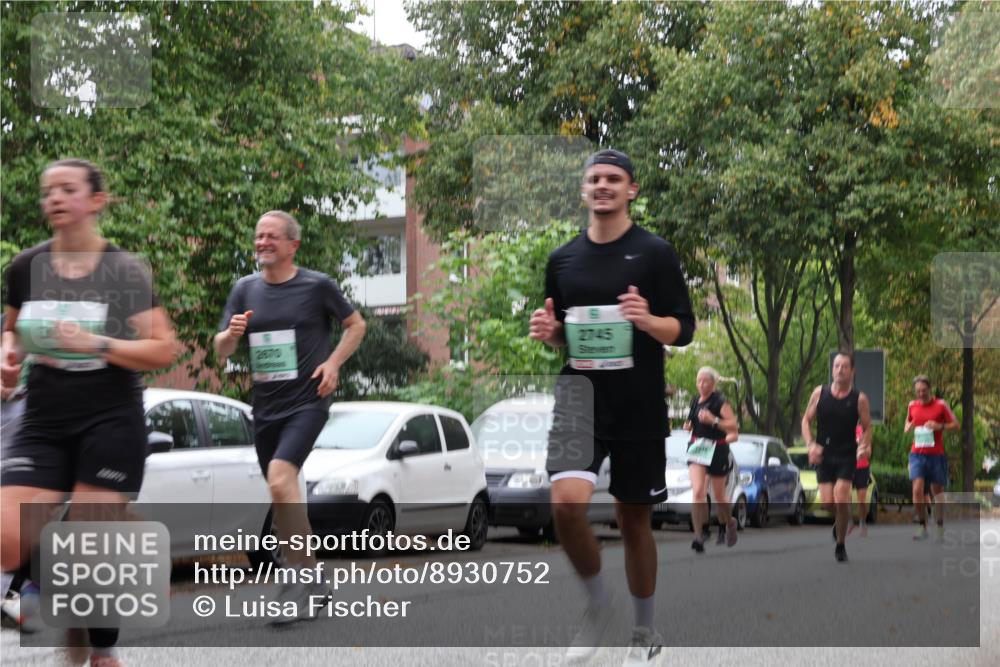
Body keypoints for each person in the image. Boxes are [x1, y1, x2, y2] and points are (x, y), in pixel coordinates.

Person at [0, 158, 178, 666]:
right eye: (47, 191)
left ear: (96, 200)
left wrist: (97, 342)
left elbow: (164, 349)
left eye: (67, 189)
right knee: (9, 542)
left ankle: (101, 648)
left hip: (110, 421)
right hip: (44, 421)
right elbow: (11, 330)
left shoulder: (121, 270)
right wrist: (8, 357)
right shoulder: (25, 266)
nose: (54, 198)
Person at [529, 149, 695, 665]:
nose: (603, 186)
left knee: (632, 519)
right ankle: (598, 604)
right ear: (584, 190)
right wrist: (552, 334)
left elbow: (684, 330)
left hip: (639, 402)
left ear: (631, 190)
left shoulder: (654, 254)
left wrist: (647, 320)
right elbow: (565, 336)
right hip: (580, 397)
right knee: (565, 505)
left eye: (614, 179)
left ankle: (644, 633)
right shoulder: (563, 260)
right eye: (594, 178)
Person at [214, 210, 365, 623]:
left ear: (292, 245)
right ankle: (314, 579)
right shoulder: (245, 289)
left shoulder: (316, 286)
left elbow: (356, 325)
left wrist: (333, 363)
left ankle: (295, 584)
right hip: (266, 408)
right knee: (284, 495)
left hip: (308, 401)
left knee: (281, 478)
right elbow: (221, 350)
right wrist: (231, 334)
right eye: (258, 236)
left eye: (272, 237)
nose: (262, 242)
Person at [801, 352, 872, 563]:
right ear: (832, 369)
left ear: (852, 371)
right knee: (827, 503)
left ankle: (840, 545)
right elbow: (806, 420)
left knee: (842, 497)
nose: (839, 370)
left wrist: (863, 445)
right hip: (824, 453)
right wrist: (810, 444)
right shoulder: (819, 393)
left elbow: (867, 427)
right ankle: (841, 519)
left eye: (844, 367)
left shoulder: (859, 399)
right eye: (836, 366)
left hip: (847, 454)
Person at [682, 367, 739, 552]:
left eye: (706, 381)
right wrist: (689, 426)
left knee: (720, 496)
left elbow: (733, 425)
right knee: (698, 491)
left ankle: (729, 522)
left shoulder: (720, 401)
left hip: (718, 448)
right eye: (699, 380)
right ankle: (699, 535)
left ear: (713, 384)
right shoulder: (694, 400)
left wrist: (714, 420)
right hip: (698, 447)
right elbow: (692, 421)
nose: (701, 384)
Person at [904, 375, 957, 542]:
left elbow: (955, 425)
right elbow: (908, 422)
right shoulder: (912, 405)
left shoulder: (941, 405)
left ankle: (940, 525)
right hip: (917, 454)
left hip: (936, 455)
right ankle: (922, 526)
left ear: (930, 389)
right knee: (917, 490)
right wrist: (908, 426)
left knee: (937, 492)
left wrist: (938, 426)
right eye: (918, 391)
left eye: (924, 391)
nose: (921, 394)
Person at [847, 424, 872, 537]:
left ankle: (862, 522)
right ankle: (849, 522)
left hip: (862, 468)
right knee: (846, 498)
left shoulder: (863, 430)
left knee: (862, 500)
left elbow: (869, 452)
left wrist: (863, 452)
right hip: (847, 468)